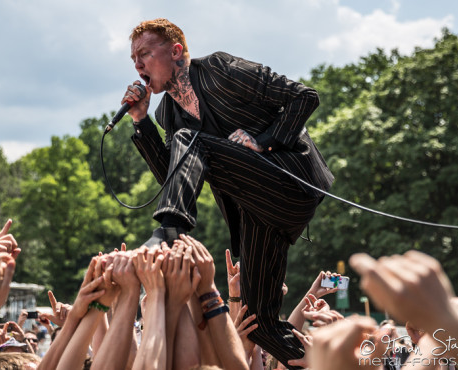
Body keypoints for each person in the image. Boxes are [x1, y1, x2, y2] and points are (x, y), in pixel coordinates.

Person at [123, 18, 333, 368]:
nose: (137, 65)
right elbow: (173, 176)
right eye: (133, 59)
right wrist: (141, 121)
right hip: (255, 210)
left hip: (288, 180)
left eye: (144, 53)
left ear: (176, 51)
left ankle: (169, 232)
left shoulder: (220, 69)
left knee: (190, 141)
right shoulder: (167, 114)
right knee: (259, 324)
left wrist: (262, 142)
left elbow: (304, 97)